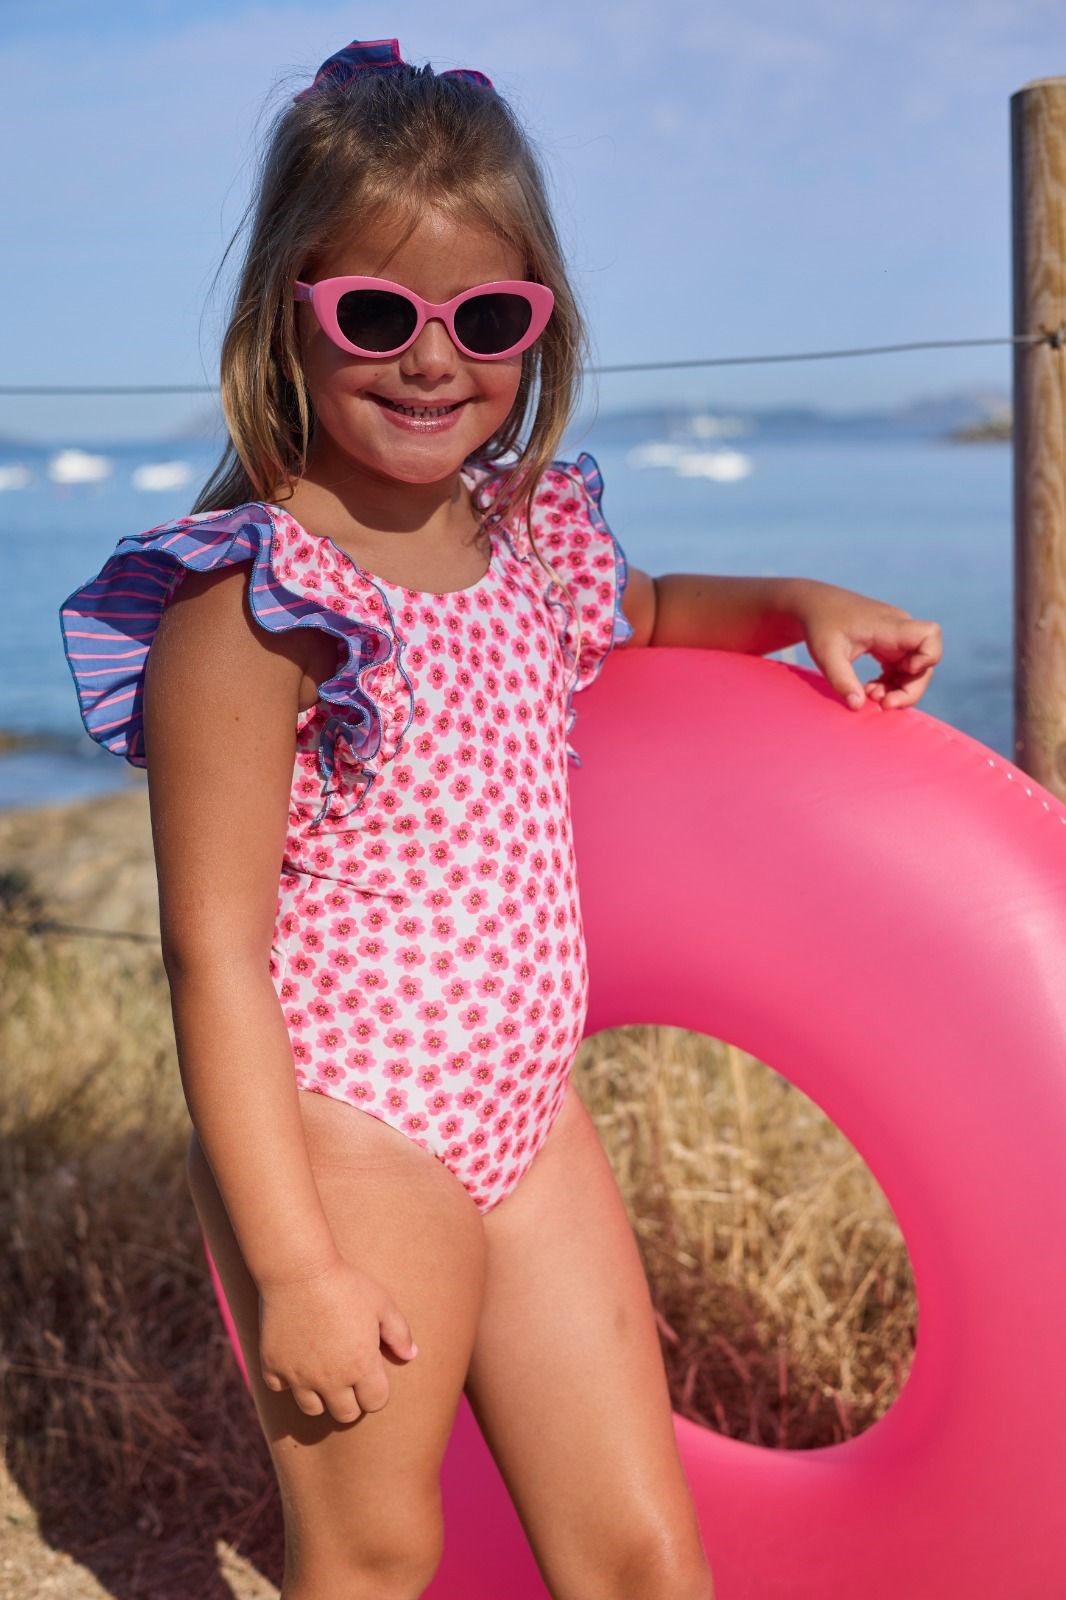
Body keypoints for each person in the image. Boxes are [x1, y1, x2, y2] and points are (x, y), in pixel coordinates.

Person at [58, 35, 942, 1600]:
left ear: (539, 324)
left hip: (526, 1119)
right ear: (287, 310)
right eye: (376, 314)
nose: (430, 360)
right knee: (374, 1550)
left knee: (638, 1553)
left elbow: (650, 607)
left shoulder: (524, 539)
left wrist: (792, 600)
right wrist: (294, 1267)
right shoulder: (255, 603)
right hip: (351, 1132)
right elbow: (213, 958)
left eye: (484, 318)